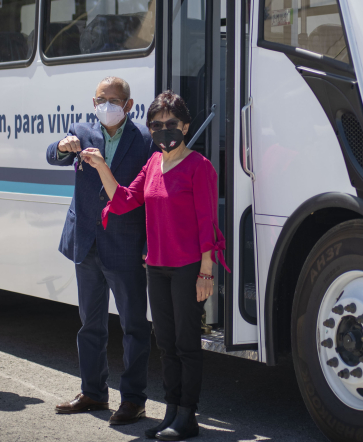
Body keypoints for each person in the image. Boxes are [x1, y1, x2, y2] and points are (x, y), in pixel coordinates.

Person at [82, 91, 227, 441]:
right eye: (157, 125)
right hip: (157, 266)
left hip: (188, 267)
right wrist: (102, 166)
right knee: (165, 342)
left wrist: (207, 271)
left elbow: (208, 222)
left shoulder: (199, 166)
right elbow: (125, 199)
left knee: (186, 343)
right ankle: (171, 412)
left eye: (171, 124)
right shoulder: (152, 165)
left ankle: (187, 416)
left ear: (186, 125)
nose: (164, 130)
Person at [46, 76, 155, 425]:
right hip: (86, 242)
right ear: (93, 103)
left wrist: (148, 244)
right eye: (101, 99)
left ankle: (134, 400)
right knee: (90, 325)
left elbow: (152, 197)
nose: (107, 105)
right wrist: (63, 147)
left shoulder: (145, 140)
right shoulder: (80, 130)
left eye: (114, 100)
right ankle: (92, 392)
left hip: (125, 244)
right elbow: (53, 155)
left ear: (128, 105)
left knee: (134, 326)